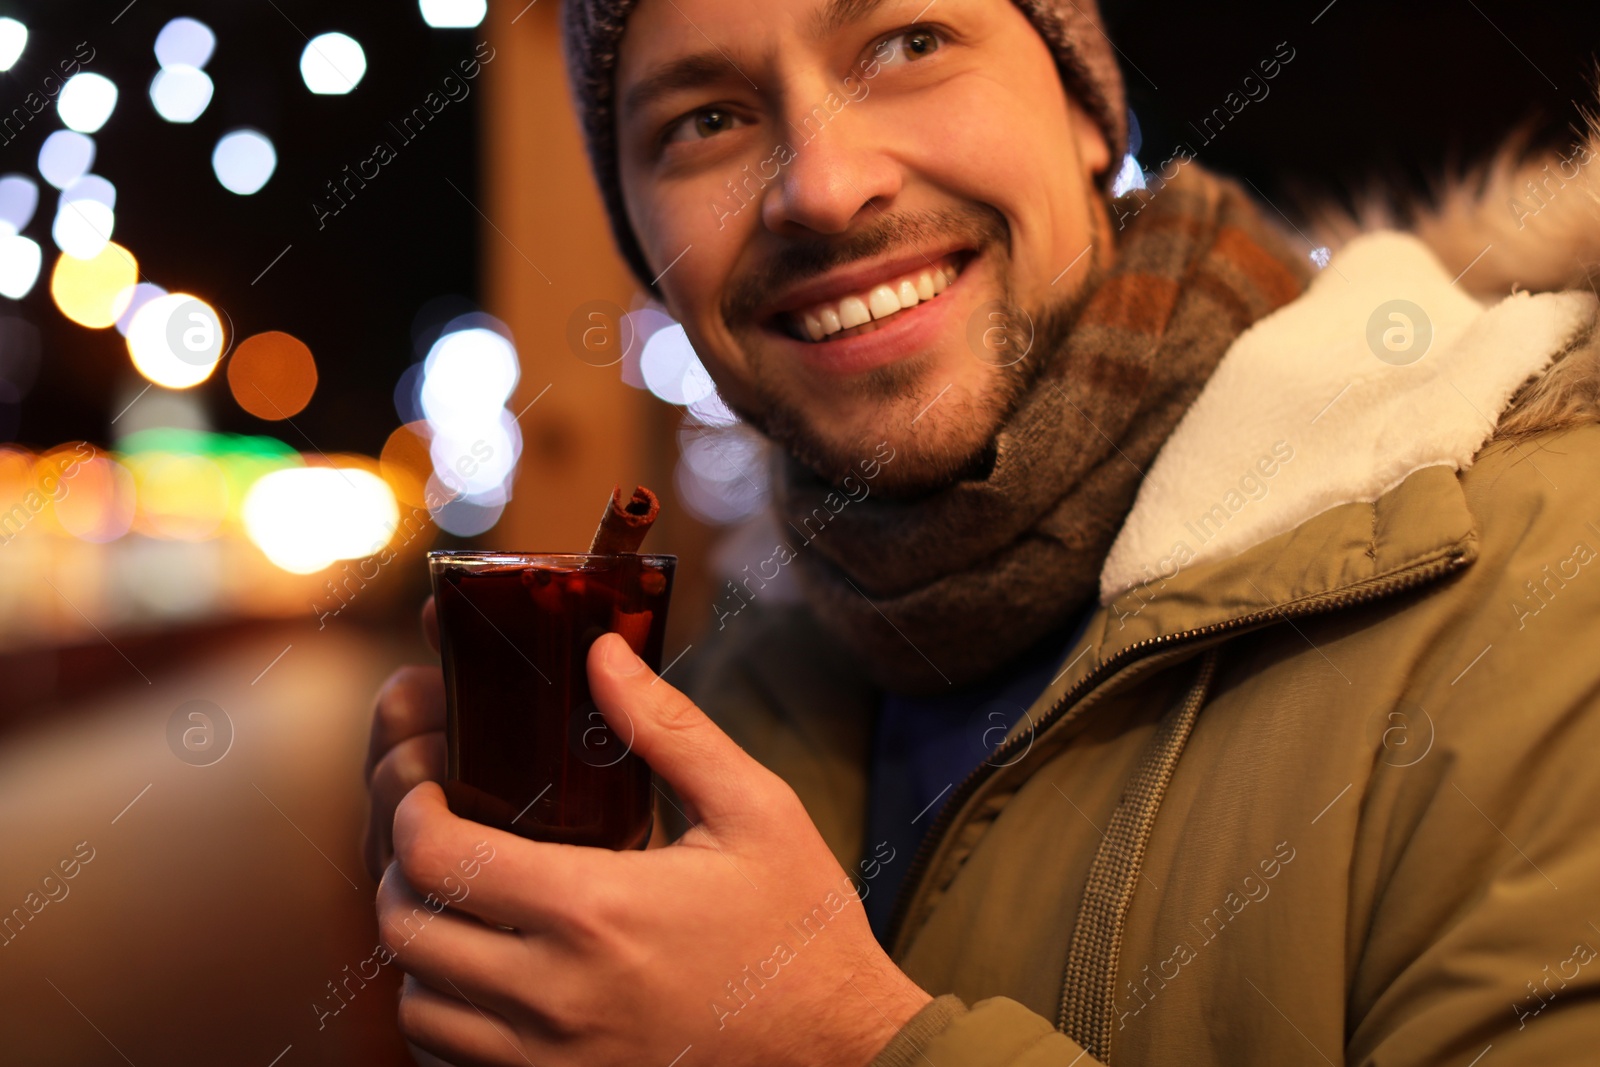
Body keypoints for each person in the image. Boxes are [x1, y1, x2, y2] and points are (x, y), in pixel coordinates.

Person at [361, 0, 1600, 1063]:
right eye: (705, 121)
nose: (822, 186)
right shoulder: (735, 695)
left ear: (1081, 111)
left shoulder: (1544, 584)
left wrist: (839, 1042)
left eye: (907, 41)